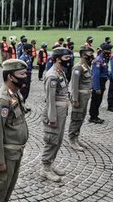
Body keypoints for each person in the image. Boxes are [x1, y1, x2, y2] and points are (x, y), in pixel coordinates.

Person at [0, 59, 29, 202]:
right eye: (21, 74)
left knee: (7, 192)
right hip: (6, 155)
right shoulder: (3, 99)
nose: (25, 76)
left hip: (15, 154)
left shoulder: (15, 94)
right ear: (11, 76)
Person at [40, 47, 72, 182]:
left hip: (61, 111)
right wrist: (52, 118)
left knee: (57, 141)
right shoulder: (52, 75)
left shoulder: (61, 72)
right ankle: (45, 169)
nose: (68, 60)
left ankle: (50, 163)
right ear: (58, 59)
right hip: (54, 113)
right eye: (66, 58)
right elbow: (50, 99)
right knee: (51, 140)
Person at [69, 46, 94, 151]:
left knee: (81, 118)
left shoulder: (86, 66)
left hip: (85, 97)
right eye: (90, 54)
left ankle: (76, 137)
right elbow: (74, 85)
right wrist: (75, 99)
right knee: (76, 118)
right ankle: (72, 139)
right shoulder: (78, 67)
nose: (92, 56)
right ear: (83, 55)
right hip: (79, 97)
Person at [88, 44, 111, 124]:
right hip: (98, 83)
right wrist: (97, 88)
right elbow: (96, 75)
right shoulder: (98, 60)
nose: (109, 52)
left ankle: (95, 115)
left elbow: (105, 70)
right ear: (103, 51)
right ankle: (93, 117)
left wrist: (108, 77)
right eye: (108, 50)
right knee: (95, 100)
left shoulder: (103, 59)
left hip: (102, 82)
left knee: (99, 100)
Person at [19, 44, 33, 111]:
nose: (31, 50)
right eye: (30, 49)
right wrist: (23, 80)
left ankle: (23, 105)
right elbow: (21, 70)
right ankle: (21, 107)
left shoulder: (28, 56)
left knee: (26, 92)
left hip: (28, 75)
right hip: (24, 76)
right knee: (23, 92)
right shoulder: (22, 58)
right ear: (25, 49)